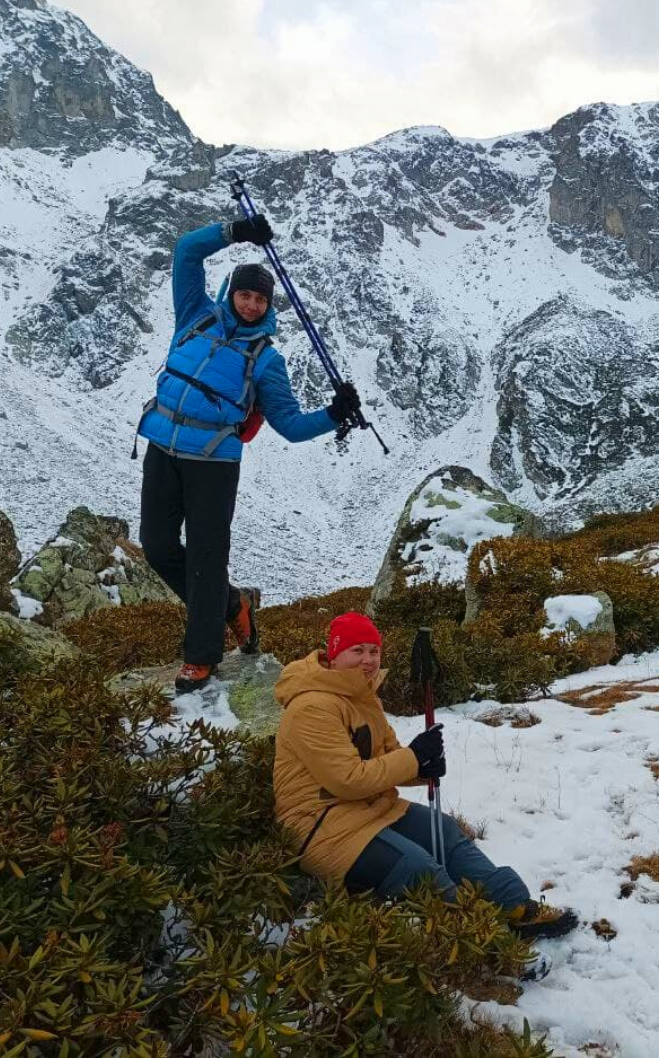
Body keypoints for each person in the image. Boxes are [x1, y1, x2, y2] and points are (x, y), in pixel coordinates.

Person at [136, 214, 361, 692]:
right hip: (162, 447)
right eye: (246, 294)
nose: (253, 305)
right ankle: (231, 605)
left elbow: (292, 426)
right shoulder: (195, 315)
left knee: (205, 557)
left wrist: (334, 413)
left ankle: (201, 657)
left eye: (261, 299)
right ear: (231, 293)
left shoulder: (266, 359)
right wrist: (233, 232)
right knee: (156, 546)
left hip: (214, 465)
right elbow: (186, 252)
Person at [272, 612, 578, 942]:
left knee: (445, 832)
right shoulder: (311, 706)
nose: (368, 660)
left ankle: (515, 907)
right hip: (322, 826)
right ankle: (481, 941)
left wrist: (422, 768)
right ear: (334, 655)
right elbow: (346, 779)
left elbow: (389, 756)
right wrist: (414, 757)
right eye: (356, 651)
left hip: (370, 809)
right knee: (417, 867)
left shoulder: (363, 696)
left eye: (374, 651)